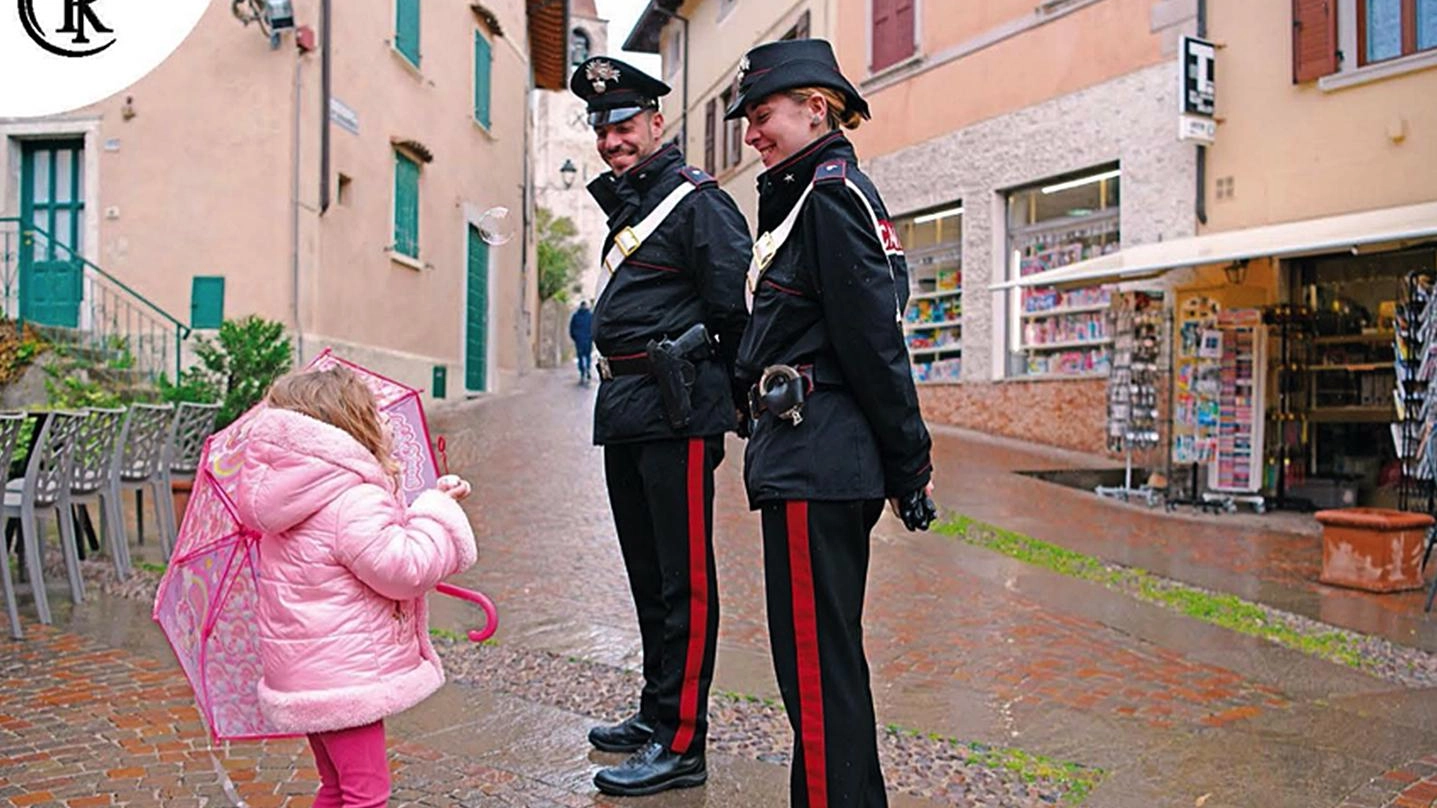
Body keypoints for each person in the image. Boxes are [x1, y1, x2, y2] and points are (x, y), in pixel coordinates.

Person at [727, 39, 939, 807]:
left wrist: (909, 465)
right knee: (823, 669)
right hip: (809, 456)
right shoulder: (805, 197)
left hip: (816, 457)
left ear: (815, 108)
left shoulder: (829, 196)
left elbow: (874, 343)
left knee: (817, 675)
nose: (751, 133)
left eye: (761, 115)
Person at [569, 55, 751, 797]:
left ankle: (683, 741)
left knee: (685, 583)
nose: (611, 140)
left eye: (622, 124)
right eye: (600, 128)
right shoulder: (637, 200)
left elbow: (732, 313)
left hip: (674, 410)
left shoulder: (696, 202)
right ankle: (656, 712)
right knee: (649, 579)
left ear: (655, 122)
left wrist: (723, 396)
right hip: (626, 409)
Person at [233, 366, 477, 808]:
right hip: (346, 678)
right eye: (376, 414)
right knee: (367, 795)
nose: (384, 423)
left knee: (335, 788)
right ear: (351, 425)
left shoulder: (293, 493)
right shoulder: (352, 497)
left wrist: (421, 503)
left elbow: (355, 548)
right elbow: (403, 567)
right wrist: (438, 511)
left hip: (307, 671)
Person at [570, 299, 595, 384]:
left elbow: (571, 328)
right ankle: (587, 368)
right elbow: (593, 328)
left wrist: (575, 337)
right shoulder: (590, 316)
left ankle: (582, 372)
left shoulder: (576, 316)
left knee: (580, 357)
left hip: (579, 340)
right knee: (588, 356)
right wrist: (592, 337)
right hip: (588, 340)